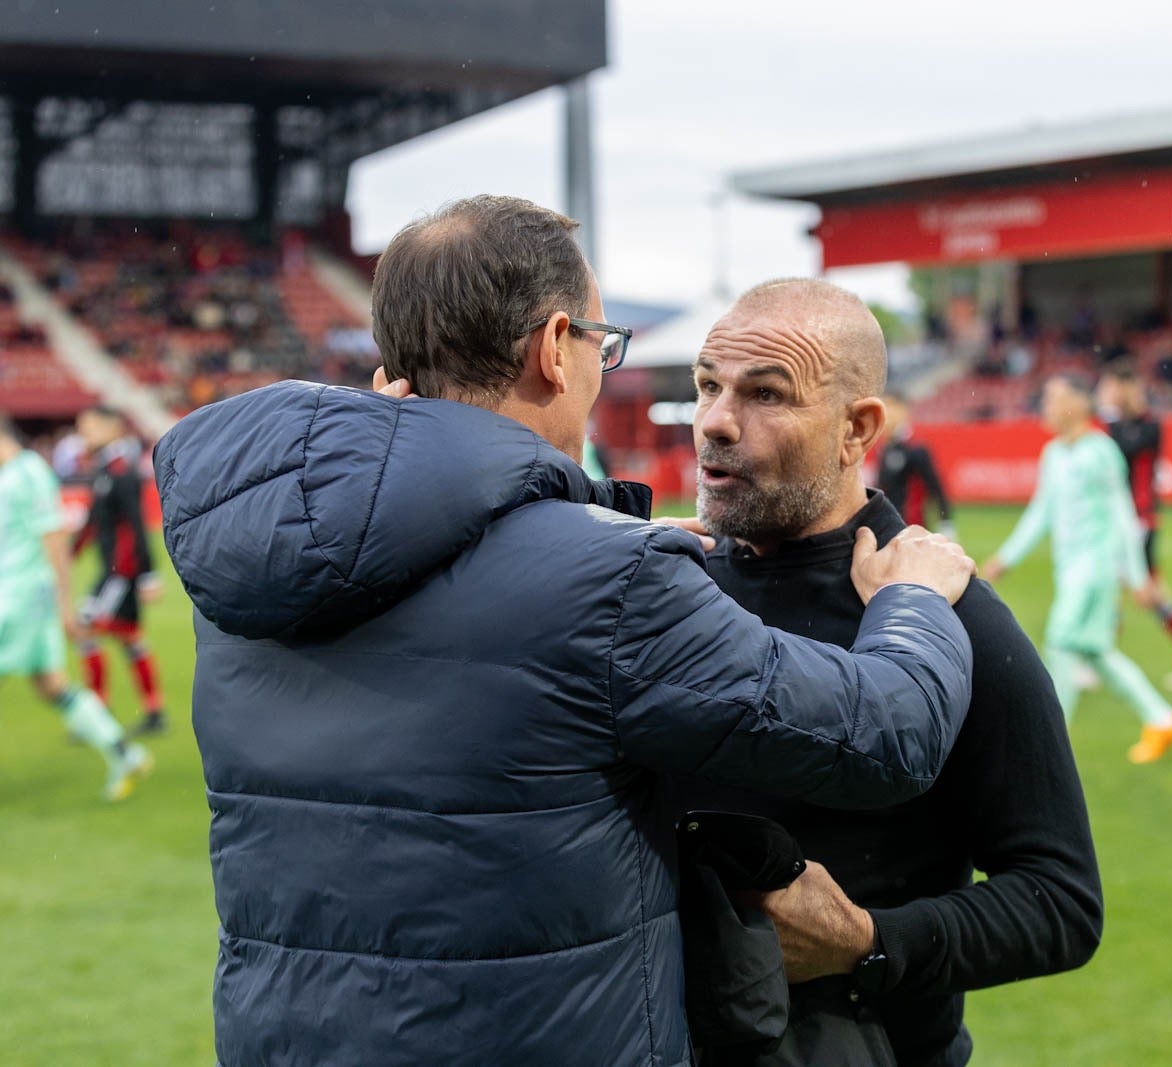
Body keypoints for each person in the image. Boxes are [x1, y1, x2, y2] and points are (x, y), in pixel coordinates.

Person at [152, 195, 977, 1067]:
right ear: (553, 346)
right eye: (599, 342)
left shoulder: (250, 559)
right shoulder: (611, 581)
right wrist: (913, 597)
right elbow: (885, 733)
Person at [677, 280, 1102, 1066]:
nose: (715, 421)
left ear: (857, 428)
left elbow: (1061, 902)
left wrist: (868, 942)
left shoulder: (957, 618)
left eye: (767, 393)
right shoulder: (670, 587)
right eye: (707, 384)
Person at [981, 376, 1172, 764]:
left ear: (1077, 404)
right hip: (1069, 569)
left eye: (1053, 398)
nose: (1044, 405)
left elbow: (1123, 515)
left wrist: (1138, 575)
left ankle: (1047, 743)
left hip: (1095, 568)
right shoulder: (1054, 454)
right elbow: (1040, 512)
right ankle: (1162, 719)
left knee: (1060, 640)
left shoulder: (1101, 452)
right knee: (1095, 651)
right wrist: (1004, 558)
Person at [0, 413, 152, 801]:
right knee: (49, 683)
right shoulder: (13, 474)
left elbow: (53, 538)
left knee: (111, 647)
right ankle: (124, 751)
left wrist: (63, 602)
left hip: (20, 596)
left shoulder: (29, 472)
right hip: (20, 594)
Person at [1096, 365, 1172, 691]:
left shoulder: (1147, 426)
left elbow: (1123, 453)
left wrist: (1109, 416)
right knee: (1132, 590)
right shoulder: (1121, 427)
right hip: (1129, 521)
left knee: (1140, 591)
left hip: (1140, 521)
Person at [71, 405, 167, 735]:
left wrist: (147, 574)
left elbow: (137, 525)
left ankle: (98, 712)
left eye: (88, 426)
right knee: (130, 639)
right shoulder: (104, 469)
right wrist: (69, 553)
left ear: (111, 428)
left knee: (84, 629)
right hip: (114, 571)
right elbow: (93, 521)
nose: (82, 433)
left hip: (120, 573)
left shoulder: (122, 471)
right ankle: (154, 712)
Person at [876, 393, 954, 535]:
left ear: (903, 411)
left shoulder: (917, 448)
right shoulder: (884, 448)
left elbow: (936, 488)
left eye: (890, 407)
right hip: (887, 528)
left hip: (912, 530)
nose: (886, 414)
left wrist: (945, 522)